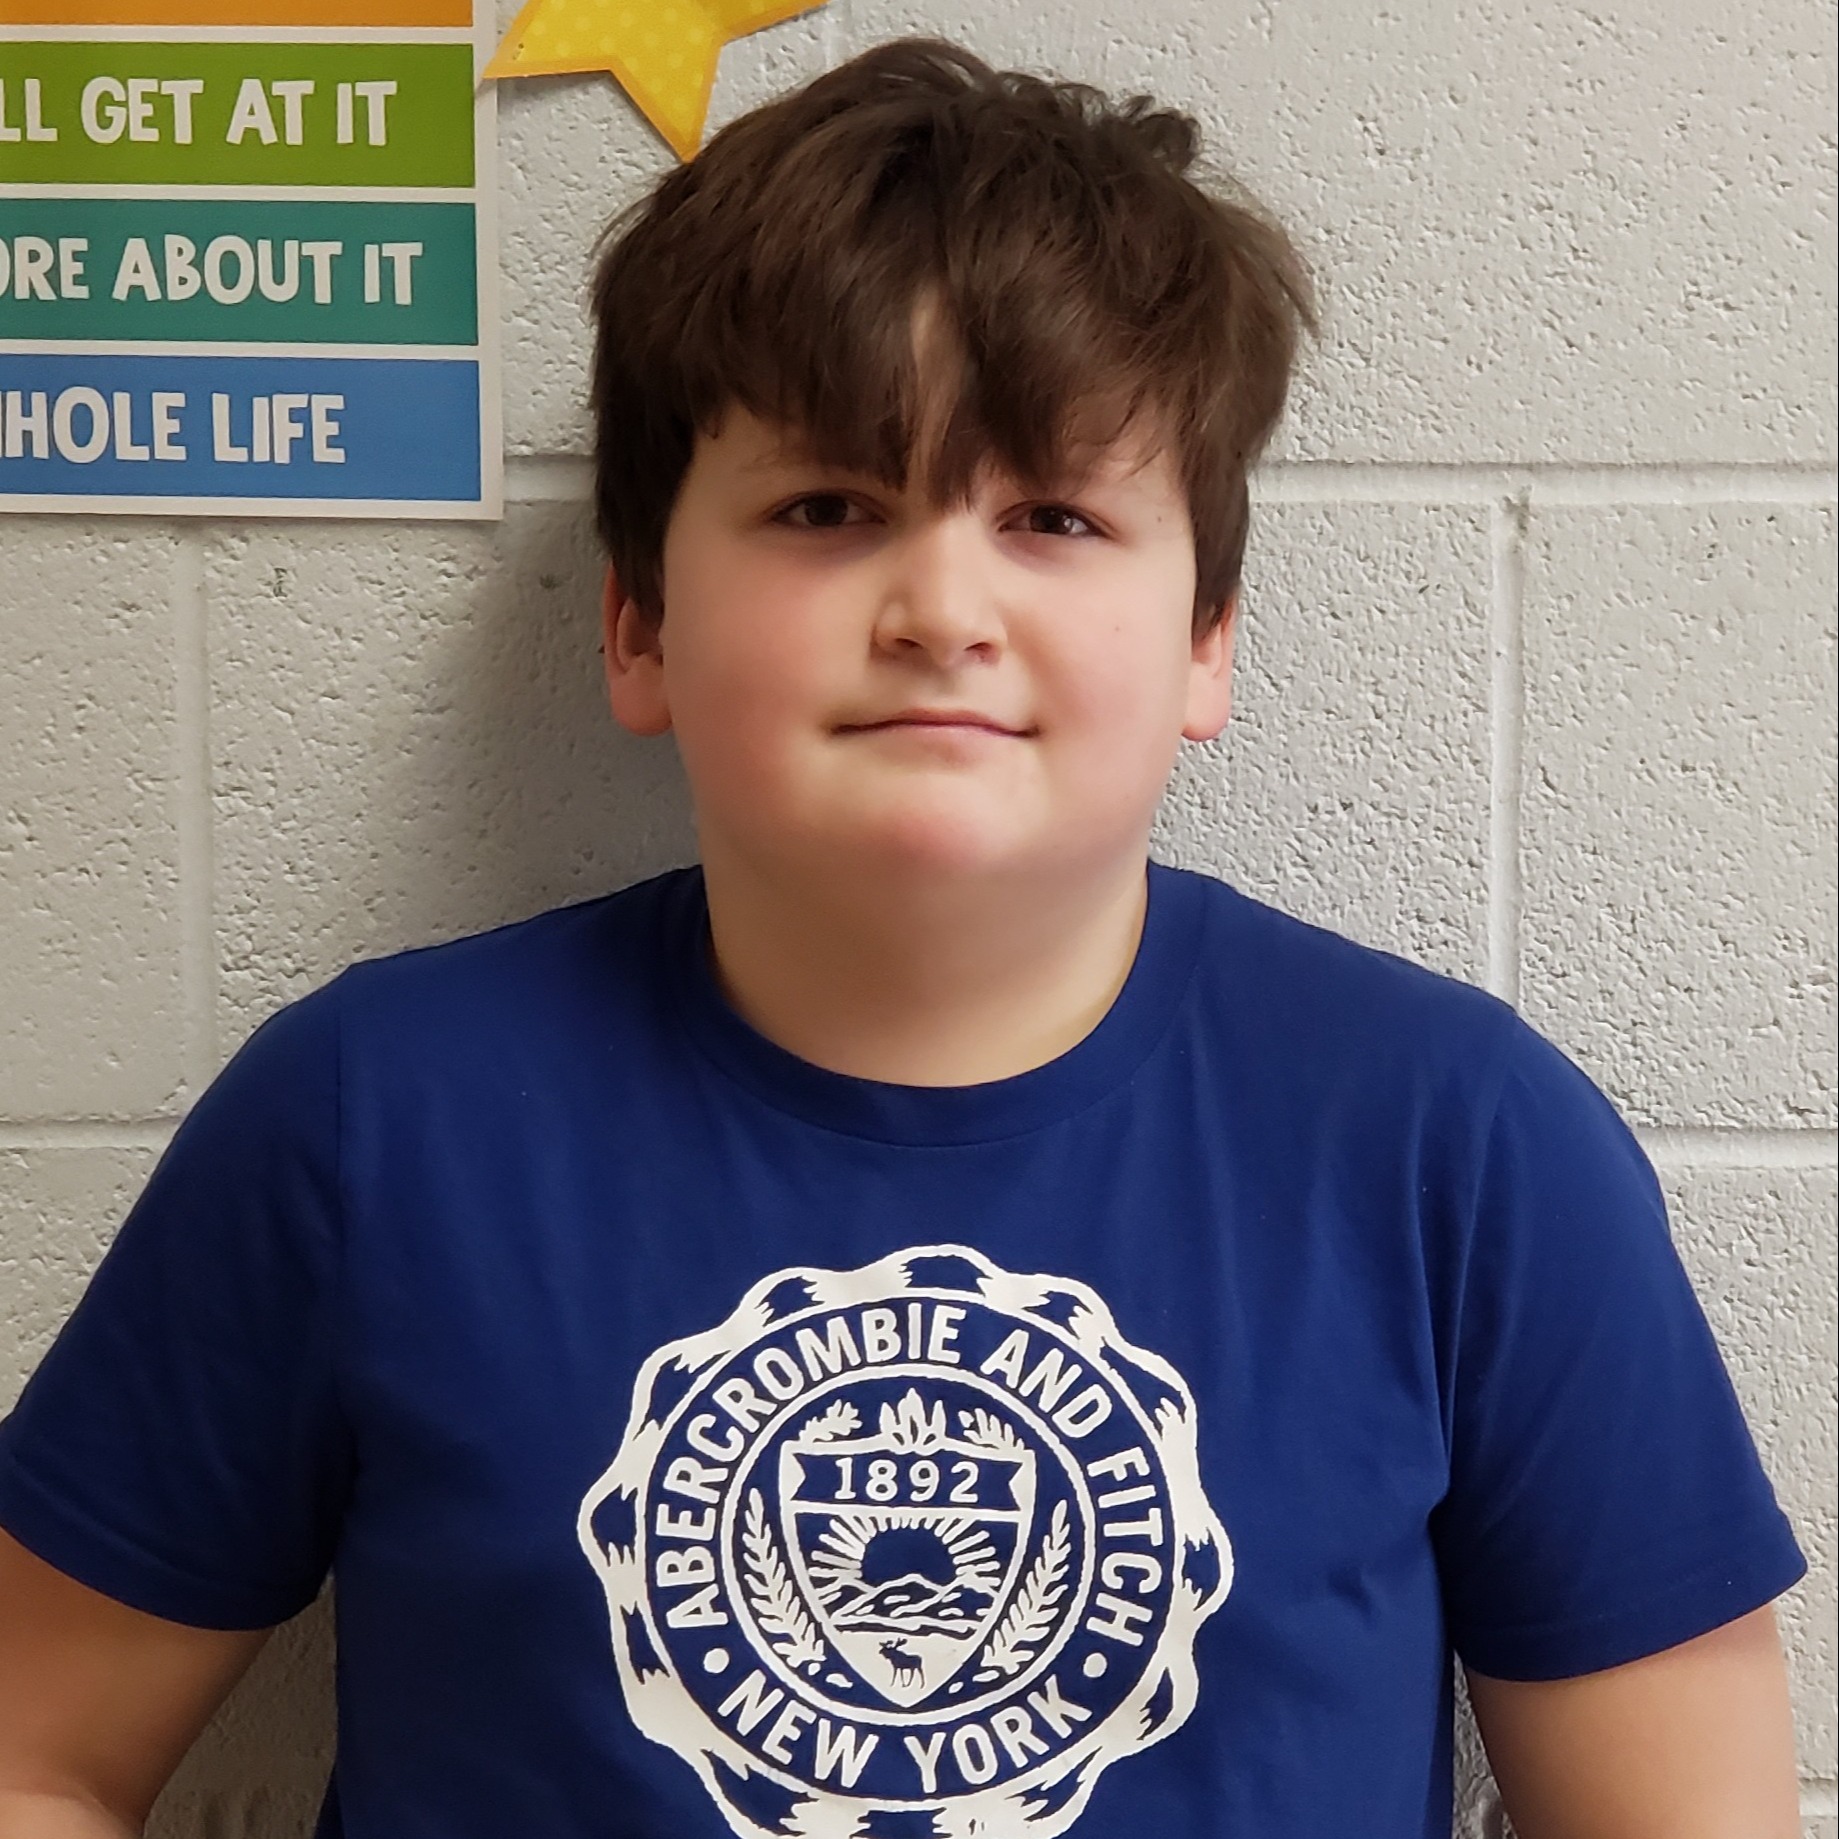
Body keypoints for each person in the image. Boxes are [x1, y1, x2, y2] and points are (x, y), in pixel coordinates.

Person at [0, 37, 1808, 1839]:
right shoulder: (366, 1122)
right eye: (828, 509)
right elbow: (39, 1755)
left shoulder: (1463, 1150)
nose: (944, 607)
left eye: (1053, 517)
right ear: (635, 626)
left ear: (1203, 641)